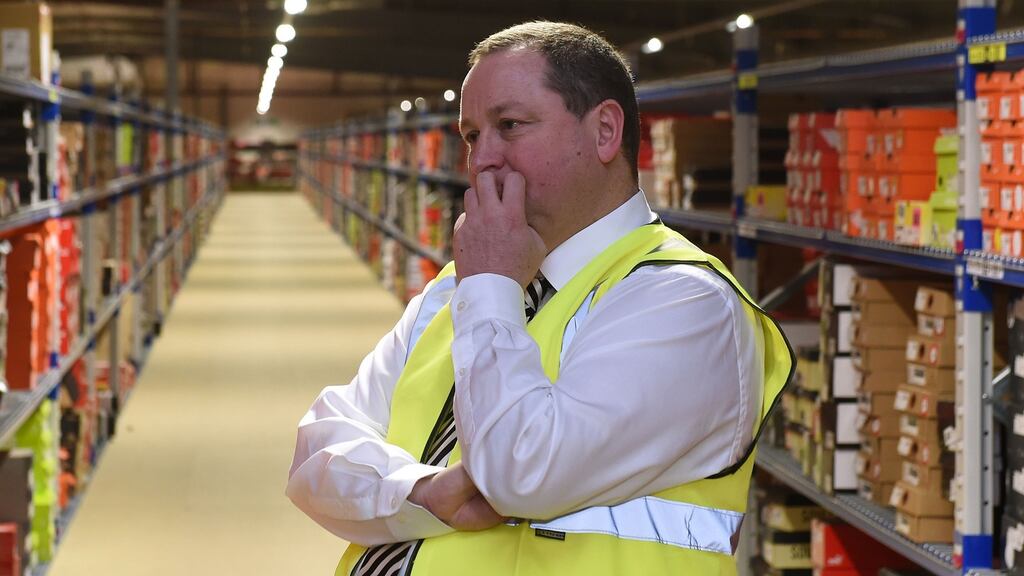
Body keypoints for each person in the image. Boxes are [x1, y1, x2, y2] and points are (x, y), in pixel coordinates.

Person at [287, 21, 793, 576]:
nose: (482, 160)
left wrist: (493, 285)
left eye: (510, 126)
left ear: (604, 132)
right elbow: (318, 449)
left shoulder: (686, 303)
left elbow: (518, 472)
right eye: (473, 136)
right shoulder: (457, 290)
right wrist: (423, 490)